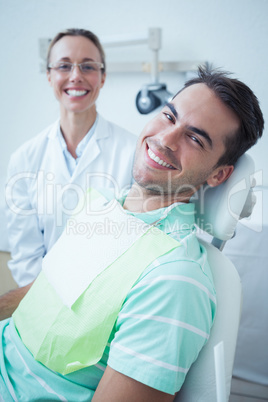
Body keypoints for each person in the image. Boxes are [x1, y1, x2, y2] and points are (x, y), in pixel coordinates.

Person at [0, 66, 264, 401]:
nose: (165, 140)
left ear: (219, 175)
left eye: (195, 138)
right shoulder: (103, 209)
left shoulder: (175, 281)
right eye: (169, 116)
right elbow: (47, 291)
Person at [5, 28, 137, 287]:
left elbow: (133, 246)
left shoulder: (132, 152)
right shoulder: (24, 160)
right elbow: (25, 256)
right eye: (64, 66)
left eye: (88, 66)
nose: (76, 76)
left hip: (109, 298)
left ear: (103, 77)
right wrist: (48, 306)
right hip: (41, 299)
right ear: (49, 75)